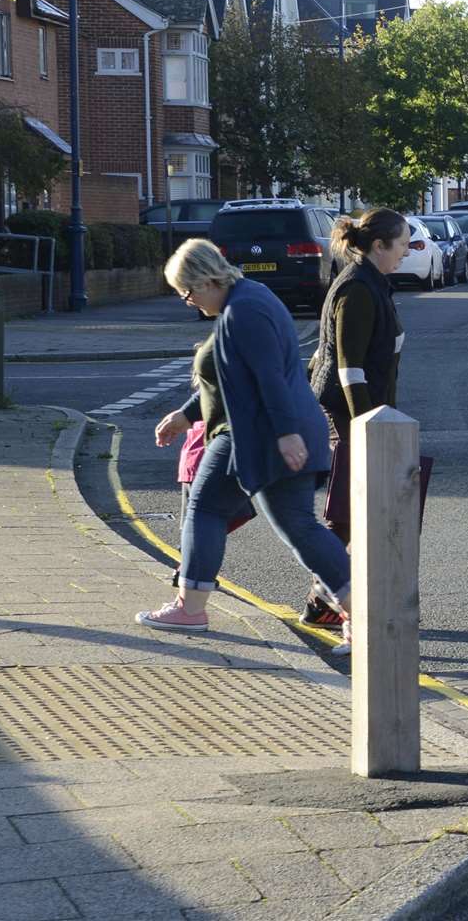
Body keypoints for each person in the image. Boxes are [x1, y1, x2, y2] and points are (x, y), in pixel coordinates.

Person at [139, 239, 352, 647]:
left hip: (259, 432)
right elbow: (226, 377)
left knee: (214, 509)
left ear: (203, 280)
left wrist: (286, 434)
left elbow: (269, 377)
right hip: (259, 431)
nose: (187, 302)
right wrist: (187, 415)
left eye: (186, 293)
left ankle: (190, 607)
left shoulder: (244, 311)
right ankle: (363, 614)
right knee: (290, 525)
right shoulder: (249, 299)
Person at [298, 208, 410, 629]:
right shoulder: (357, 290)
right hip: (348, 413)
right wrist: (369, 427)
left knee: (358, 509)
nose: (406, 251)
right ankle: (322, 599)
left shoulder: (374, 283)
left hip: (370, 412)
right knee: (346, 511)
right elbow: (350, 369)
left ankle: (325, 598)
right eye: (401, 244)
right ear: (379, 245)